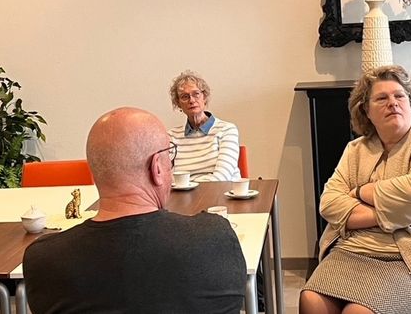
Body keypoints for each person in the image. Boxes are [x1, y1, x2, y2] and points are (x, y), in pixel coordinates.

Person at [23, 107, 246, 313]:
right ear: (157, 168)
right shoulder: (214, 238)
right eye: (170, 157)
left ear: (94, 172)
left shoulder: (43, 261)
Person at [300, 65, 411, 314]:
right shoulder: (356, 150)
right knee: (311, 300)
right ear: (366, 110)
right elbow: (330, 203)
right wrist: (397, 214)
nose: (393, 103)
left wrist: (361, 192)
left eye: (399, 96)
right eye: (382, 98)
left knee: (358, 312)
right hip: (356, 249)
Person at [167, 71, 241, 182]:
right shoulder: (172, 136)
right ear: (178, 103)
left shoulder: (227, 130)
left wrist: (188, 186)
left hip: (220, 190)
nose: (191, 100)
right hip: (183, 192)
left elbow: (221, 178)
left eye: (196, 94)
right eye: (184, 97)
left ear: (204, 97)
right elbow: (166, 179)